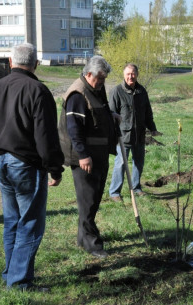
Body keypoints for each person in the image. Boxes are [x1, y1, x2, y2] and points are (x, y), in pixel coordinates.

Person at [0, 43, 64, 292]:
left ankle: (11, 274)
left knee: (13, 221)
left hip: (2, 162)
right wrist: (55, 169)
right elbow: (46, 138)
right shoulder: (38, 91)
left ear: (10, 61)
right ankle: (19, 282)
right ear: (35, 64)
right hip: (26, 165)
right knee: (29, 224)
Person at [61, 56, 117, 258]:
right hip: (85, 157)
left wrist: (112, 117)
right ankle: (92, 244)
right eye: (99, 79)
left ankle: (82, 237)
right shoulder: (78, 93)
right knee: (88, 201)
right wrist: (83, 156)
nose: (102, 83)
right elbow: (74, 129)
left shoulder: (96, 89)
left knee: (93, 199)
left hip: (99, 154)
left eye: (104, 79)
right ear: (88, 74)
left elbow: (98, 112)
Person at [108, 63, 162, 202]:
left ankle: (136, 188)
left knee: (139, 162)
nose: (130, 76)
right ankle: (115, 192)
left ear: (137, 75)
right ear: (124, 75)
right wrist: (113, 133)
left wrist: (152, 128)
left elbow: (147, 112)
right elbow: (111, 114)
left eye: (133, 74)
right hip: (123, 136)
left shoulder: (142, 91)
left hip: (139, 135)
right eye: (128, 74)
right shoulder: (117, 91)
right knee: (120, 164)